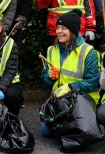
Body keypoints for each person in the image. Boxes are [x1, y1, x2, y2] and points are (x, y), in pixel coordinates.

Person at [40, 9, 100, 138]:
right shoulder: (52, 50)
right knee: (46, 132)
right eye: (57, 28)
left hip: (81, 100)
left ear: (73, 31)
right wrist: (49, 77)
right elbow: (44, 79)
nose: (59, 32)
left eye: (63, 28)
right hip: (59, 101)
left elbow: (93, 82)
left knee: (73, 132)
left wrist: (70, 87)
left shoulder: (88, 52)